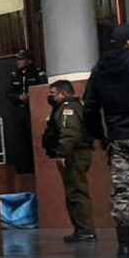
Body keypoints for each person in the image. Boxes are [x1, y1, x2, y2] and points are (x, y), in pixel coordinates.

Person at [84, 22, 129, 258]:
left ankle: (124, 247)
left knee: (121, 192)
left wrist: (100, 136)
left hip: (118, 139)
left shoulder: (100, 69)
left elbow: (89, 108)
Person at [43, 80, 95, 243]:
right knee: (74, 191)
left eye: (53, 94)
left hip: (74, 154)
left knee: (76, 191)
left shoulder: (68, 109)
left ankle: (85, 229)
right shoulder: (68, 107)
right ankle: (81, 228)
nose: (50, 97)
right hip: (75, 153)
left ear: (63, 94)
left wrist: (61, 153)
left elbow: (69, 133)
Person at [6, 50, 47, 174]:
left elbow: (43, 89)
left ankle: (38, 167)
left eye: (21, 59)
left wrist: (32, 96)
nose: (19, 62)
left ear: (29, 61)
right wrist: (19, 97)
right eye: (18, 59)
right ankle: (24, 169)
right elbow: (9, 93)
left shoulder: (37, 73)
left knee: (34, 137)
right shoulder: (15, 75)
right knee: (20, 140)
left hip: (33, 111)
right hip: (19, 111)